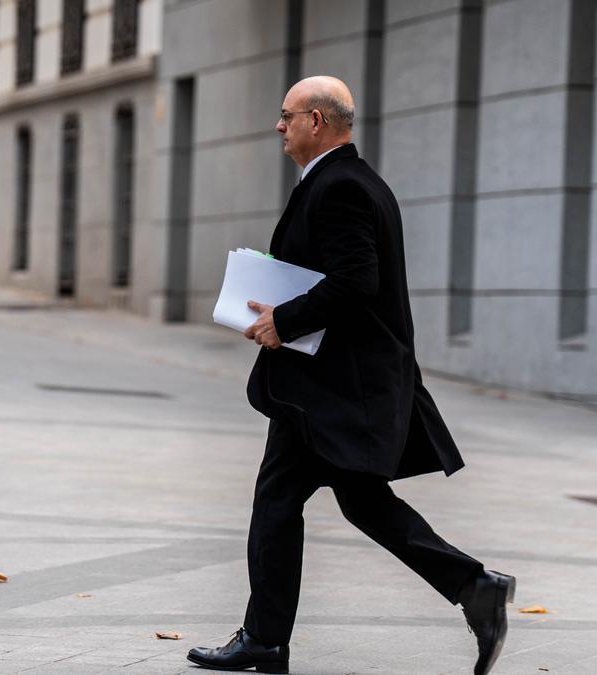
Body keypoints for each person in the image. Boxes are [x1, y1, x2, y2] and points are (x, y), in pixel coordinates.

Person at [186, 76, 516, 675]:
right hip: (331, 384)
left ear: (316, 121)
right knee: (352, 501)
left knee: (290, 499)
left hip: (334, 387)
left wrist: (284, 320)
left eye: (286, 115)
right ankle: (472, 587)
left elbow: (356, 281)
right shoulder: (350, 181)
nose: (278, 126)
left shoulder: (340, 186)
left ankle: (267, 639)